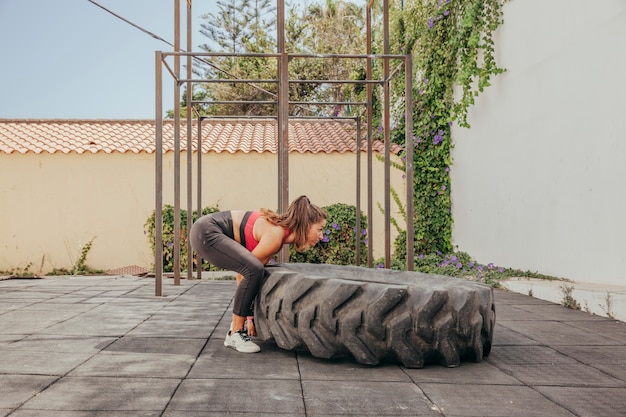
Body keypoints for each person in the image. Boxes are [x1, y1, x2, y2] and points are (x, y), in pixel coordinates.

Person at [189, 195, 327, 353]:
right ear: (306, 225)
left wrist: (249, 318)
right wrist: (247, 318)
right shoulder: (275, 235)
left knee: (255, 270)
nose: (321, 236)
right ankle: (235, 333)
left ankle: (235, 329)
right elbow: (245, 273)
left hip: (205, 229)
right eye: (319, 229)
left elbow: (245, 275)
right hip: (206, 231)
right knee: (254, 269)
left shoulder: (278, 235)